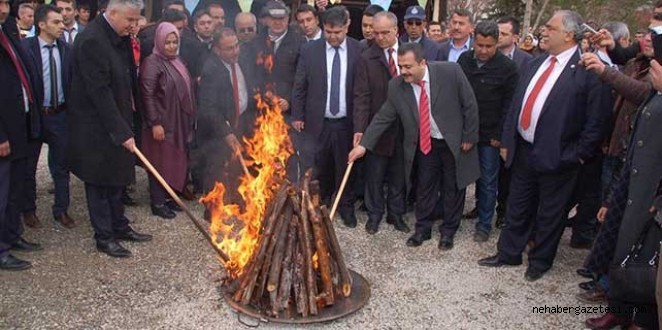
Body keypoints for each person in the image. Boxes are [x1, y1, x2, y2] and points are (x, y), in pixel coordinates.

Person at [477, 11, 613, 281]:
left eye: (551, 27)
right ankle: (508, 253)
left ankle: (540, 261)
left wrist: (576, 155)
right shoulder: (534, 63)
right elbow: (516, 104)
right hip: (525, 149)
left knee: (551, 213)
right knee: (517, 205)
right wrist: (508, 139)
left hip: (560, 157)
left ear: (569, 35)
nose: (544, 31)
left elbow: (596, 123)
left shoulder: (588, 70)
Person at [349, 42, 479, 249]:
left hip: (454, 142)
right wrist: (363, 145)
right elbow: (384, 116)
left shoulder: (450, 72)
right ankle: (422, 229)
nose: (403, 72)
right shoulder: (397, 86)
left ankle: (448, 232)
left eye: (408, 67)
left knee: (452, 188)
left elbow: (469, 103)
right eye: (401, 67)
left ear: (422, 63)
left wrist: (469, 136)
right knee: (424, 186)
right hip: (426, 144)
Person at [582, 54, 662, 330]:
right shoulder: (654, 94)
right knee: (623, 251)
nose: (652, 67)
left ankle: (642, 319)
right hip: (632, 188)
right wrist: (613, 196)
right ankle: (619, 310)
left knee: (646, 261)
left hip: (652, 199)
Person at [68, 0, 152, 258]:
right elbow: (99, 92)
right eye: (130, 20)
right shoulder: (92, 40)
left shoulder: (119, 34)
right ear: (111, 13)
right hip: (96, 125)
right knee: (100, 181)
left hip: (118, 118)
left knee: (118, 177)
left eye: (136, 20)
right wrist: (121, 131)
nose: (133, 25)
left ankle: (119, 225)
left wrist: (130, 122)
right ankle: (104, 236)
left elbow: (127, 78)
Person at [291, 6, 360, 227]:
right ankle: (316, 205)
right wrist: (297, 114)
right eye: (329, 32)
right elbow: (300, 85)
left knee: (344, 164)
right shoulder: (310, 51)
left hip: (345, 122)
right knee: (317, 165)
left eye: (337, 32)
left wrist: (360, 125)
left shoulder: (358, 50)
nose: (333, 37)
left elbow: (361, 92)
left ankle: (346, 206)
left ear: (347, 26)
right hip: (316, 121)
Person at [457, 21, 518, 242]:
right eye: (479, 45)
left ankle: (484, 224)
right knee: (463, 176)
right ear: (474, 40)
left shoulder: (508, 68)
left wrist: (500, 137)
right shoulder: (464, 60)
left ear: (496, 44)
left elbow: (509, 107)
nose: (483, 51)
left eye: (488, 46)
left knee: (488, 180)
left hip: (489, 135)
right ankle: (463, 214)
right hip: (465, 131)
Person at [21, 4, 76, 229]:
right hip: (36, 115)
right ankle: (28, 209)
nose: (61, 26)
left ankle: (61, 209)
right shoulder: (26, 48)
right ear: (41, 24)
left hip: (59, 114)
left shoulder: (65, 49)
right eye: (56, 22)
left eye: (62, 22)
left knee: (61, 166)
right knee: (29, 166)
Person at [354, 11, 408, 234]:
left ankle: (396, 214)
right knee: (374, 174)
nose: (380, 37)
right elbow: (361, 96)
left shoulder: (409, 53)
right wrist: (360, 129)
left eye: (385, 33)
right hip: (377, 126)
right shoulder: (367, 58)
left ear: (396, 30)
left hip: (405, 126)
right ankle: (374, 214)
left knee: (399, 173)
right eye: (376, 33)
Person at [0, 0, 42, 271]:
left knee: (15, 188)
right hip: (4, 132)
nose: (3, 8)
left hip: (21, 125)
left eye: (5, 2)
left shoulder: (7, 32)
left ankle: (11, 236)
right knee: (1, 192)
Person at [140, 22, 197, 219]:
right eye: (168, 42)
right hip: (162, 123)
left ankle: (171, 196)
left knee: (175, 160)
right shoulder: (152, 62)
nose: (171, 46)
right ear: (159, 41)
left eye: (175, 42)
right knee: (159, 161)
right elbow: (147, 95)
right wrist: (155, 122)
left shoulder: (177, 60)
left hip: (178, 121)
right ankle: (158, 202)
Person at [196, 28, 256, 197]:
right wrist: (226, 132)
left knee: (238, 166)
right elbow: (208, 108)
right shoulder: (211, 70)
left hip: (241, 121)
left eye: (236, 46)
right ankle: (214, 210)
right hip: (218, 130)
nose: (235, 51)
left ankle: (238, 203)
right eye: (229, 48)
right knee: (216, 169)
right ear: (217, 49)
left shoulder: (243, 59)